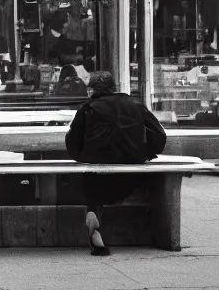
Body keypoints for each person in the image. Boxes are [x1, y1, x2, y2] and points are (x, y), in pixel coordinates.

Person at [65, 71, 167, 256]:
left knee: (92, 185)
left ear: (92, 90)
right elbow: (160, 136)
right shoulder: (135, 106)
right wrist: (145, 152)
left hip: (98, 176)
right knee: (142, 179)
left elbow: (72, 143)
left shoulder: (88, 109)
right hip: (132, 176)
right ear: (114, 88)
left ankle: (94, 218)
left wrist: (85, 156)